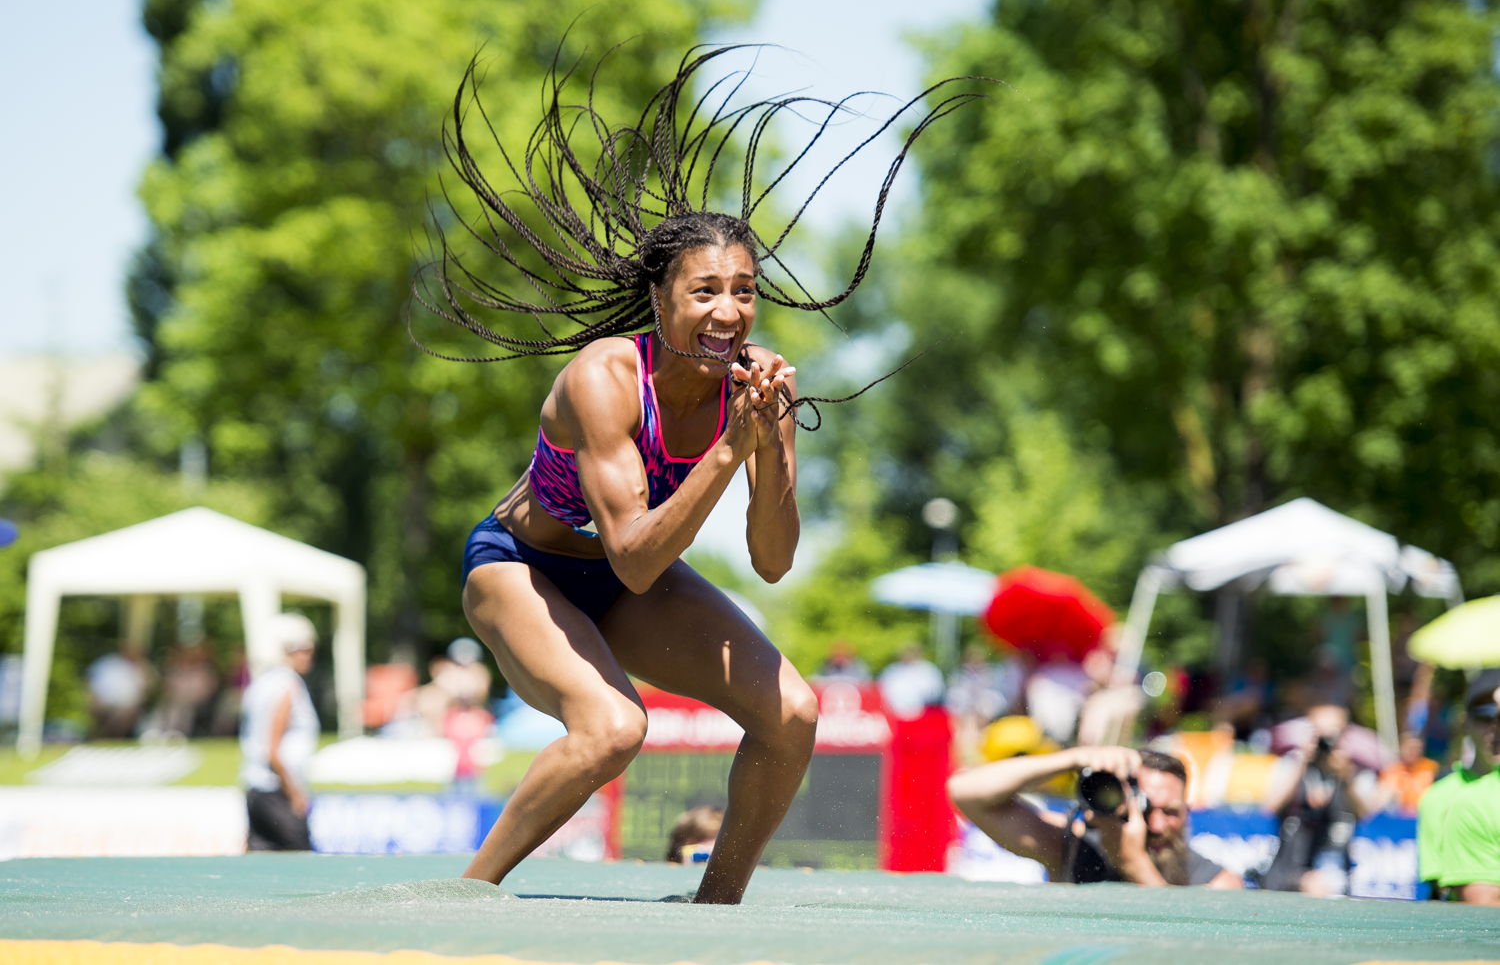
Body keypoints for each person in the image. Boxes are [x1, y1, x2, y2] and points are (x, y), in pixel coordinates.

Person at [417, 48, 981, 904]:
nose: (730, 312)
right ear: (660, 298)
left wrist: (770, 449)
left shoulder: (758, 391)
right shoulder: (604, 381)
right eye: (706, 291)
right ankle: (462, 893)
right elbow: (636, 559)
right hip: (523, 570)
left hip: (626, 577)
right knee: (613, 729)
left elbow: (773, 561)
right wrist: (727, 452)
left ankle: (713, 905)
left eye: (745, 291)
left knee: (792, 712)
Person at [947, 744, 1242, 888]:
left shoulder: (1214, 881)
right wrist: (1073, 758)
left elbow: (1198, 944)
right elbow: (965, 791)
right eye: (1144, 809)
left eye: (1171, 812)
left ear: (1189, 811)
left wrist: (1134, 864)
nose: (1156, 825)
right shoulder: (1074, 848)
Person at [1257, 703, 1379, 897]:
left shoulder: (1353, 770)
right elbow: (1270, 806)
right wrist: (1302, 762)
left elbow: (1365, 813)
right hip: (1291, 869)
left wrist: (1346, 777)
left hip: (1335, 865)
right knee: (1316, 884)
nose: (1325, 741)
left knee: (1327, 883)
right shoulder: (1293, 763)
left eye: (1332, 734)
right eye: (1319, 733)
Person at [1418, 668, 1500, 903]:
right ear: (1466, 722)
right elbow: (1452, 895)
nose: (1495, 728)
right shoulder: (1442, 798)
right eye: (1485, 716)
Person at [239, 613, 320, 851]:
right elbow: (273, 750)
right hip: (277, 789)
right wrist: (294, 792)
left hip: (257, 789)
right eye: (302, 648)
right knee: (300, 862)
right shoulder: (287, 684)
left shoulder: (262, 682)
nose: (309, 653)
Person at [1377, 731, 1439, 816]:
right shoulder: (1391, 771)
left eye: (1417, 748)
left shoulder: (1431, 768)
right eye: (1410, 748)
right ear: (1400, 748)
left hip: (1425, 813)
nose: (1414, 752)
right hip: (1398, 816)